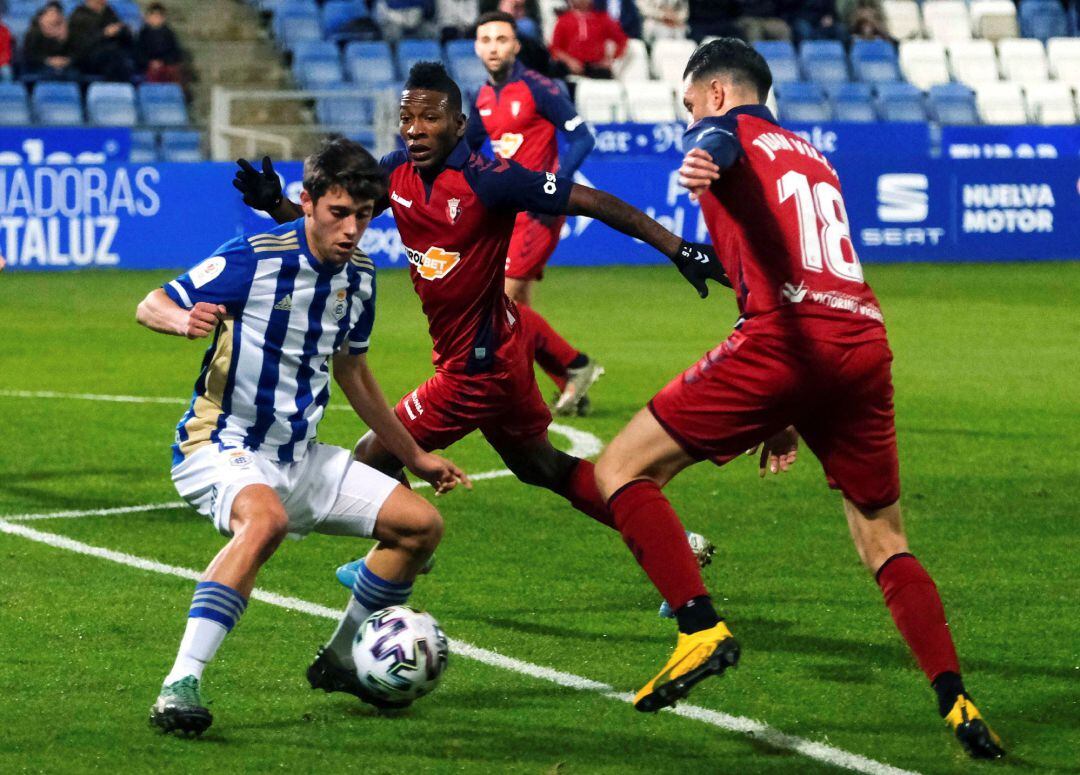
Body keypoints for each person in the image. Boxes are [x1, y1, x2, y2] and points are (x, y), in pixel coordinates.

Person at [592, 38, 1005, 760]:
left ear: (716, 92)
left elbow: (721, 138)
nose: (689, 117)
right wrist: (786, 410)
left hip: (785, 341)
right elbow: (796, 258)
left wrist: (706, 152)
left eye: (690, 104)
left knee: (620, 469)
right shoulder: (813, 155)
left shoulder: (719, 130)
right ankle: (955, 697)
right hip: (862, 344)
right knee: (885, 538)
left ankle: (698, 627)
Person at [233, 61, 728, 607]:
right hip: (500, 354)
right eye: (407, 118)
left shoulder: (491, 180)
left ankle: (402, 555)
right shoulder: (393, 172)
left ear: (460, 123)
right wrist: (276, 205)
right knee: (545, 468)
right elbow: (338, 216)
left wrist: (679, 248)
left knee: (375, 454)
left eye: (430, 118)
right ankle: (673, 546)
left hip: (475, 368)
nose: (416, 129)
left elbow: (590, 201)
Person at [137, 137, 470, 737]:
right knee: (264, 523)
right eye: (338, 213)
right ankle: (179, 683)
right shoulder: (255, 255)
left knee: (421, 527)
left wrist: (413, 454)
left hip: (300, 457)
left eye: (363, 217)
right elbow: (151, 303)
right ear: (307, 201)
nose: (351, 230)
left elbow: (354, 373)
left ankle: (343, 659)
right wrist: (182, 320)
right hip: (220, 443)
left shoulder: (361, 278)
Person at [468, 11, 601, 416]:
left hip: (536, 211)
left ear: (516, 45)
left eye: (501, 39)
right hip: (509, 211)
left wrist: (555, 184)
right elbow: (469, 150)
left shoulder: (539, 87)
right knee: (518, 307)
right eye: (486, 39)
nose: (493, 47)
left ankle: (573, 365)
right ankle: (569, 381)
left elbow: (581, 137)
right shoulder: (482, 97)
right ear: (477, 47)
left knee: (500, 305)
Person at [549, 0, 628, 80]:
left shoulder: (603, 19)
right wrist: (569, 61)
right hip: (572, 67)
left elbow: (622, 41)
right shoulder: (564, 20)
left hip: (596, 67)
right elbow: (555, 48)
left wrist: (611, 59)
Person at [68, 0, 136, 81]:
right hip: (87, 56)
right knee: (114, 58)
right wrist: (104, 33)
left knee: (123, 56)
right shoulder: (78, 16)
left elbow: (120, 31)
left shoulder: (108, 12)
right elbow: (80, 43)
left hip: (111, 53)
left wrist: (124, 30)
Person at [22, 2, 76, 81]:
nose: (54, 16)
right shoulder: (33, 33)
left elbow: (75, 53)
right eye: (50, 13)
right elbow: (29, 56)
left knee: (73, 74)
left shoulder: (68, 33)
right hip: (38, 67)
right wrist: (48, 61)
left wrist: (62, 39)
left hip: (64, 67)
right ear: (42, 17)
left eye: (57, 13)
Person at [135, 2, 185, 86]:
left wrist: (162, 62)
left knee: (172, 71)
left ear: (163, 18)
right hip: (147, 66)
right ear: (148, 17)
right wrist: (150, 63)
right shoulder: (142, 34)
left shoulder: (169, 34)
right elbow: (138, 53)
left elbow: (175, 53)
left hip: (165, 65)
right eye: (153, 16)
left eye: (158, 16)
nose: (155, 19)